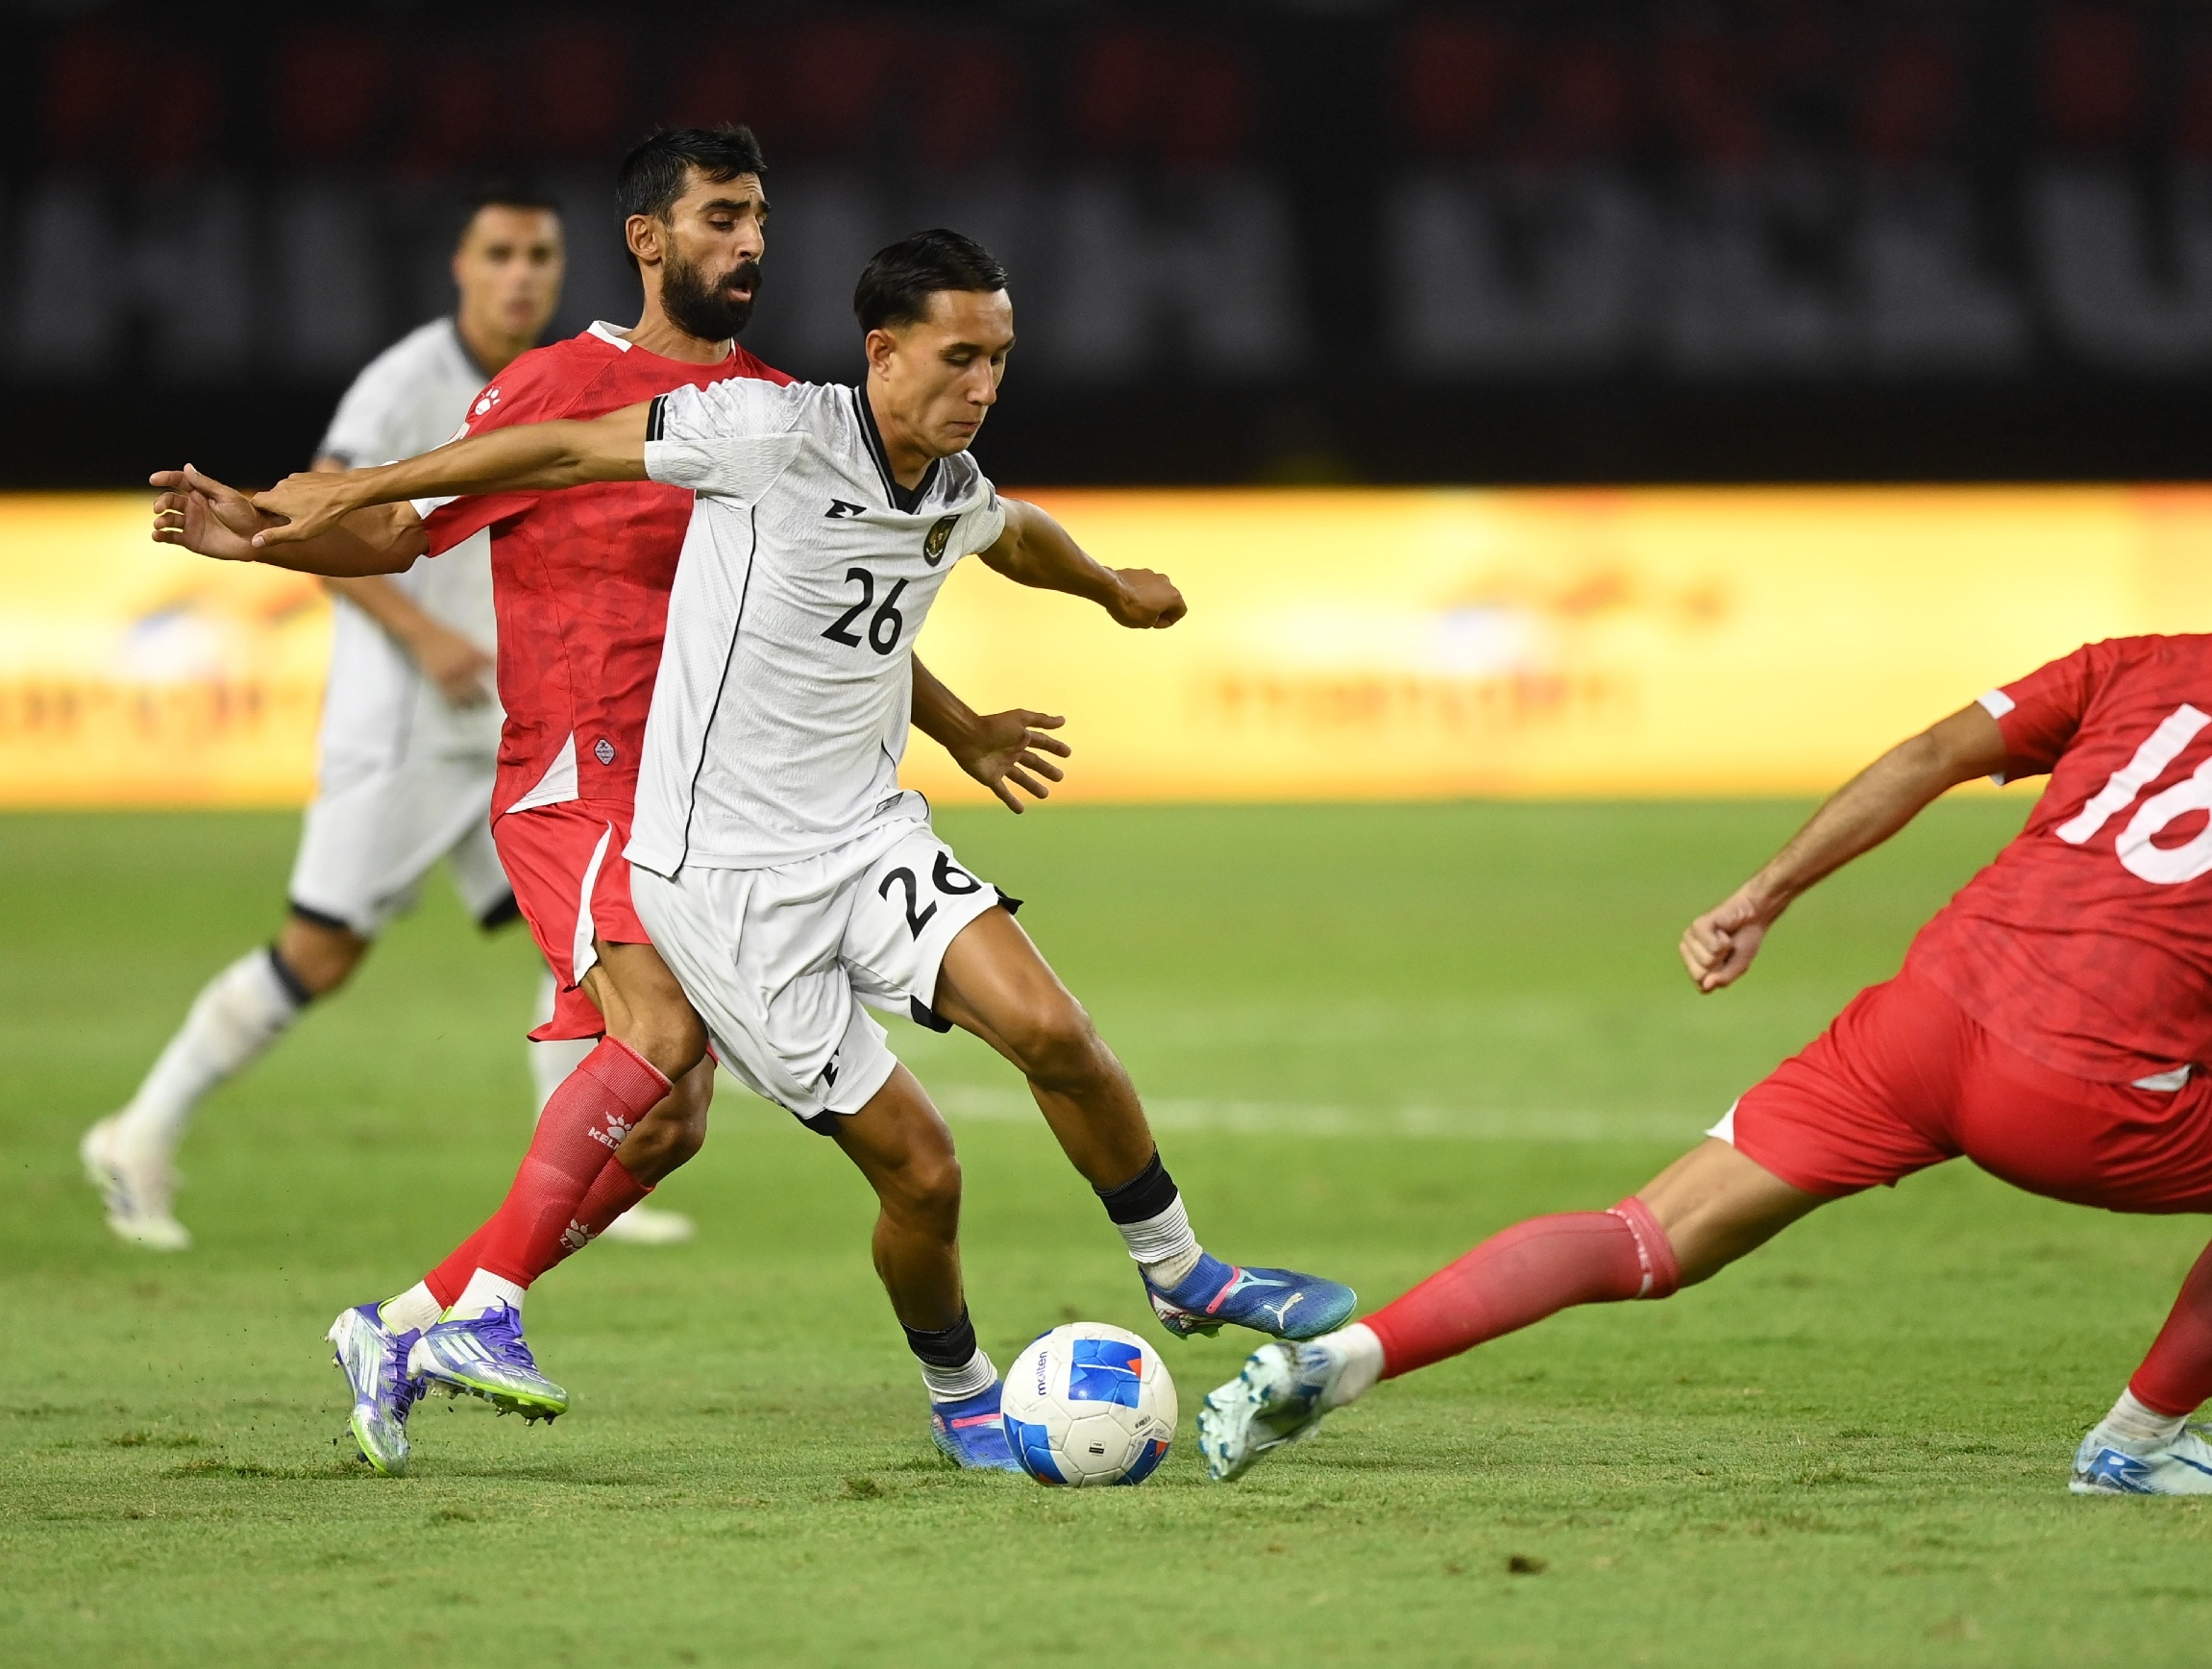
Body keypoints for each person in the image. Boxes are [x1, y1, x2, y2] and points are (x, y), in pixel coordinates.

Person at [157, 180, 1352, 1470]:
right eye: (962, 358)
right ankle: (934, 1388)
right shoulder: (753, 427)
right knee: (894, 1155)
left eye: (1000, 360)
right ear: (882, 351)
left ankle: (1177, 1273)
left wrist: (1107, 593)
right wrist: (336, 499)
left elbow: (1001, 538)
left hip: (863, 837)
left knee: (1038, 1033)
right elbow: (545, 459)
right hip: (696, 852)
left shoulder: (939, 479)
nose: (984, 385)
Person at [1198, 485, 2212, 1496]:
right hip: (2089, 1095)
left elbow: (1928, 754)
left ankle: (1344, 1358)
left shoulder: (2132, 663)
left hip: (1923, 1020)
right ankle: (2137, 1442)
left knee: (1643, 1235)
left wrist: (1762, 894)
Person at [81, 182, 680, 1246]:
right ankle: (138, 1131)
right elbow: (333, 523)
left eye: (539, 256)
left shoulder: (557, 386)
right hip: (404, 725)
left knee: (581, 948)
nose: (521, 275)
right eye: (498, 254)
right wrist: (427, 638)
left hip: (507, 732)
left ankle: (576, 1165)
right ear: (460, 266)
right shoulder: (405, 384)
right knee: (319, 952)